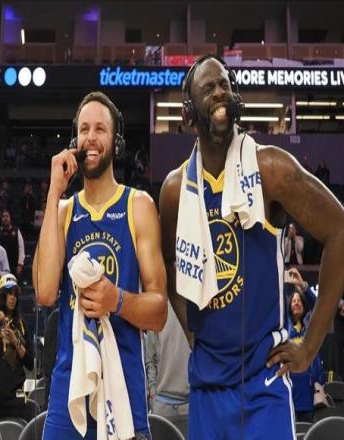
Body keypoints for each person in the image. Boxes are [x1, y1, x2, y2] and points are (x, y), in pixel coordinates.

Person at [159, 55, 344, 439]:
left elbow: (339, 229)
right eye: (208, 88)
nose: (219, 92)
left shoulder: (271, 169)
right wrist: (193, 333)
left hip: (264, 380)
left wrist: (310, 346)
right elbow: (169, 266)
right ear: (189, 113)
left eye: (224, 85)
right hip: (207, 385)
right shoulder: (175, 190)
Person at [33, 91, 167, 439]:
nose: (90, 137)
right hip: (69, 393)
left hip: (124, 392)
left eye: (100, 129)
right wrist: (53, 193)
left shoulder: (139, 206)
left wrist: (116, 300)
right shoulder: (63, 211)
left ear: (116, 142)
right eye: (84, 130)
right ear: (74, 142)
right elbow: (45, 292)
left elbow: (159, 313)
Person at [0, 273, 34, 421]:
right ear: (1, 295)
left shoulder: (21, 324)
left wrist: (15, 341)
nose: (13, 298)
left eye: (15, 295)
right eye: (9, 293)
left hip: (15, 398)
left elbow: (30, 363)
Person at [145, 303, 190, 437]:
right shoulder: (158, 308)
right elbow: (150, 358)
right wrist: (153, 393)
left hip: (190, 404)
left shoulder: (194, 308)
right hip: (162, 404)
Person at [287, 282, 325, 423]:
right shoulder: (285, 328)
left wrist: (303, 286)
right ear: (289, 306)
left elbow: (318, 305)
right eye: (294, 301)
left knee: (309, 431)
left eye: (299, 301)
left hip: (309, 395)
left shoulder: (310, 325)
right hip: (290, 395)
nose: (296, 303)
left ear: (304, 305)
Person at [0, 209, 25, 279]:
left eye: (7, 216)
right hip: (1, 266)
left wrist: (20, 264)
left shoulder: (16, 230)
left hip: (14, 265)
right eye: (3, 216)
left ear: (10, 218)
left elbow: (21, 247)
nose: (5, 218)